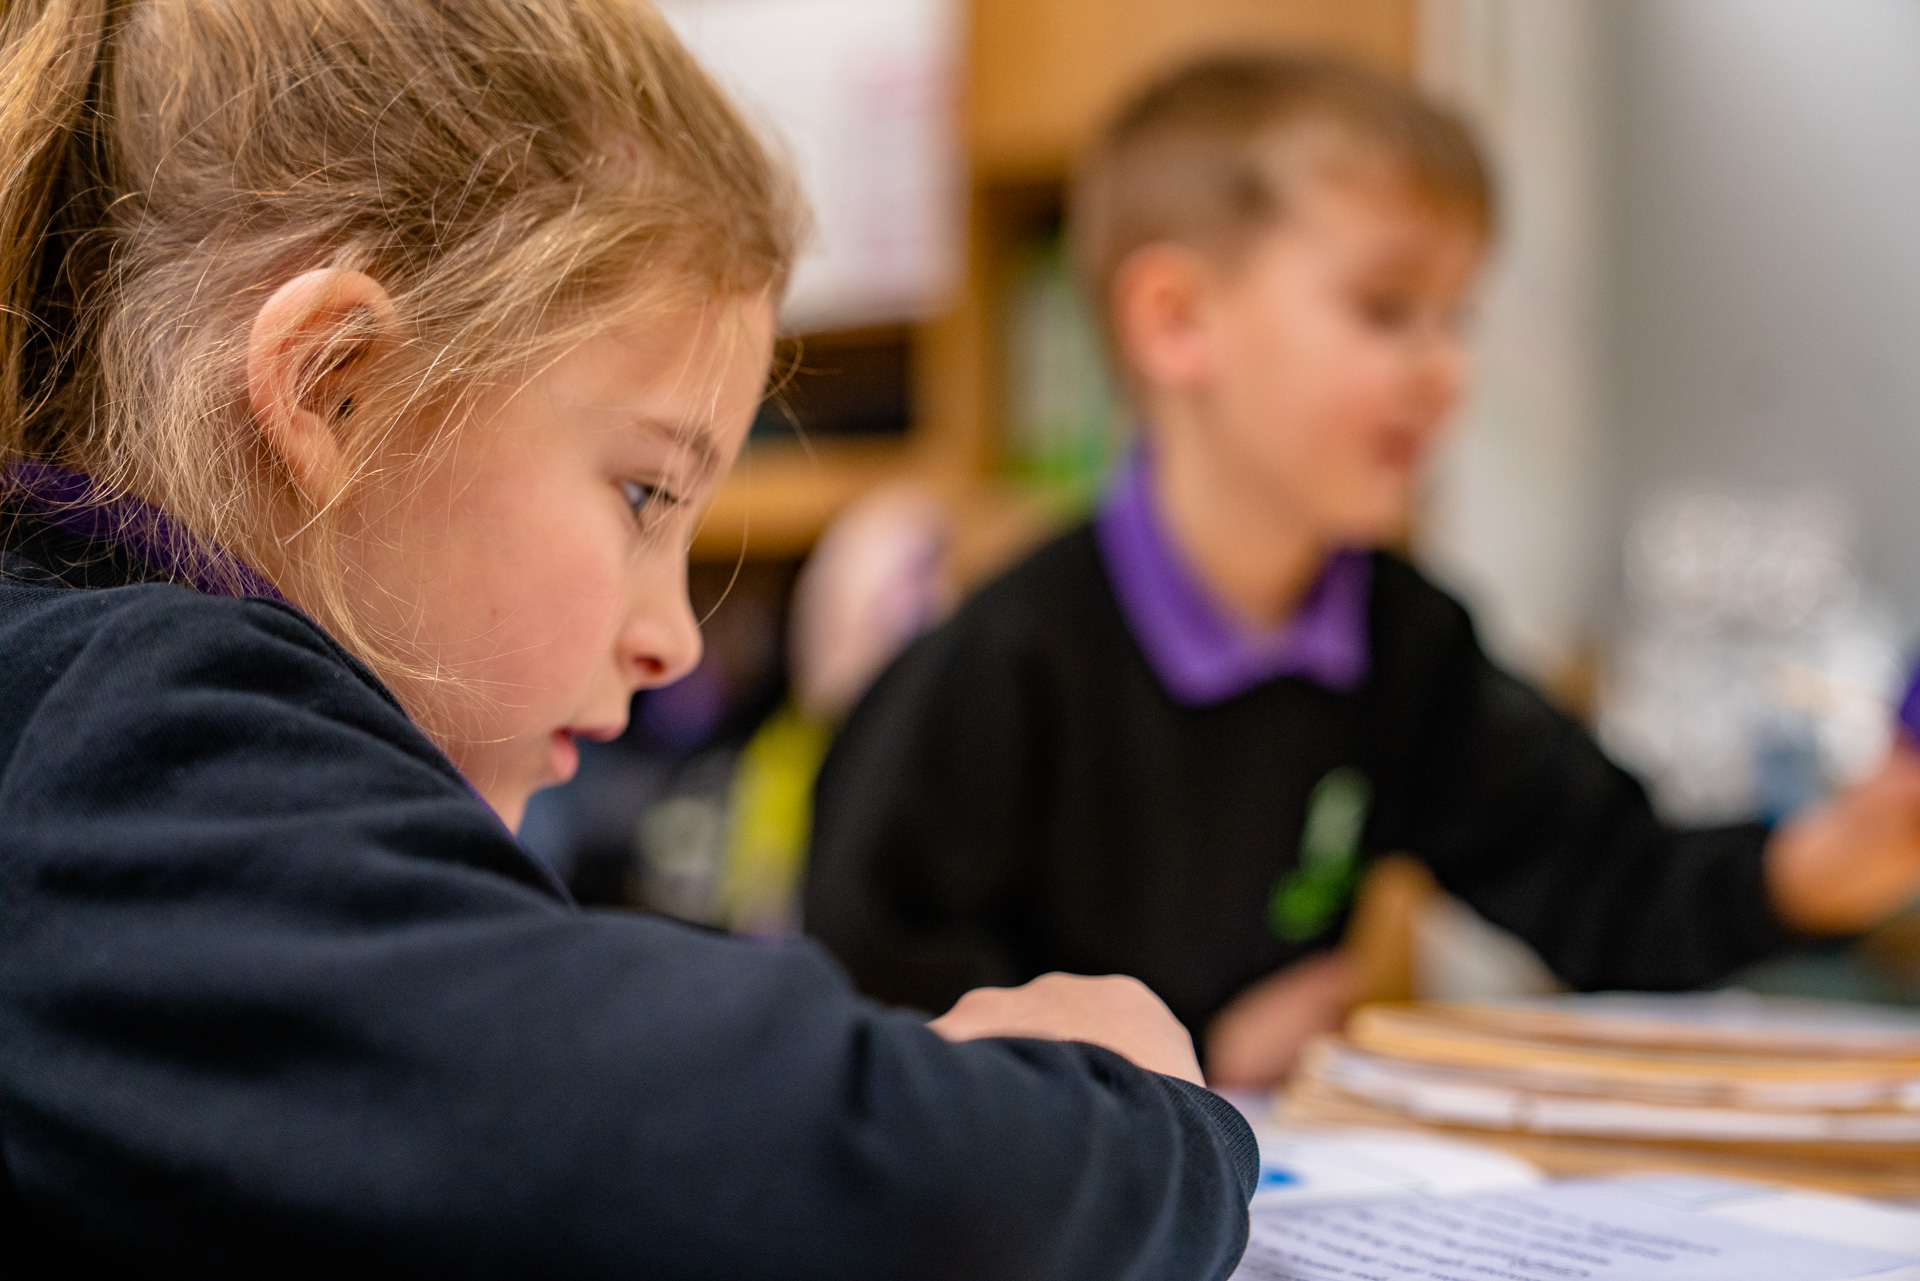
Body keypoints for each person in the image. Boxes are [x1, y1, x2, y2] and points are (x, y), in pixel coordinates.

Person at [0, 2, 1259, 1277]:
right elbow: (890, 1202)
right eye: (645, 495)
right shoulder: (122, 726)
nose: (677, 646)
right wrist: (1123, 1108)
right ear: (338, 384)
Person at [805, 54, 1920, 1090]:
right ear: (1177, 320)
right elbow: (868, 995)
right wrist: (1179, 1061)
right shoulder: (1004, 663)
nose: (1446, 371)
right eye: (1387, 310)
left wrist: (1818, 868)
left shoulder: (1405, 644)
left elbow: (1601, 885)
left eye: (1457, 319)